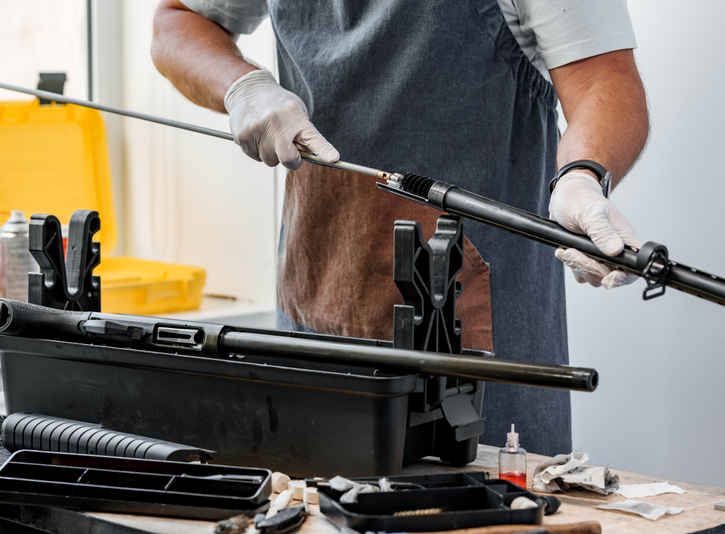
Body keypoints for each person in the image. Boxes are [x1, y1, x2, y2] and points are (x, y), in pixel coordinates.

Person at [151, 0, 648, 457]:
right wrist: (242, 86)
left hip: (479, 350)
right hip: (315, 312)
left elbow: (605, 80)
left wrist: (583, 176)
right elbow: (176, 21)